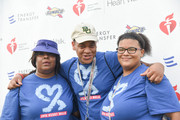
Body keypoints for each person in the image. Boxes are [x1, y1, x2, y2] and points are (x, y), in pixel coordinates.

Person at [7, 23, 165, 120]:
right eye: (82, 46)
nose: (87, 50)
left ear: (97, 44)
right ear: (73, 45)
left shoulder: (109, 59)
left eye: (92, 45)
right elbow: (44, 72)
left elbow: (136, 61)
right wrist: (21, 76)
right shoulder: (67, 66)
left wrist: (158, 66)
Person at [100, 32, 180, 120]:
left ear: (141, 52)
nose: (125, 53)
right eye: (121, 49)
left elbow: (174, 114)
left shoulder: (150, 75)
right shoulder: (119, 79)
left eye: (131, 49)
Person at [1, 40, 77, 120]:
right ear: (34, 59)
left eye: (51, 54)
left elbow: (77, 114)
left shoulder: (67, 82)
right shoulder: (19, 85)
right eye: (41, 54)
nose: (46, 57)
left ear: (56, 59)